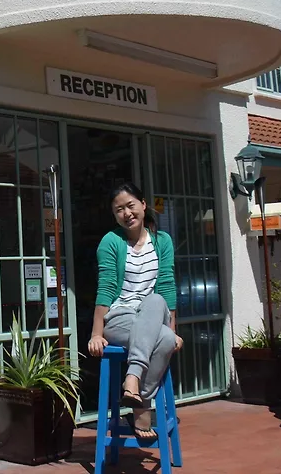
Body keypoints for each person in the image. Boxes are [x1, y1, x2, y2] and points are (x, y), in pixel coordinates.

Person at [87, 182, 183, 440]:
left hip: (153, 314)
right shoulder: (111, 242)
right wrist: (96, 333)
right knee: (163, 339)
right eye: (119, 210)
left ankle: (133, 382)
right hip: (120, 318)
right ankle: (142, 406)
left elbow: (167, 285)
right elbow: (106, 287)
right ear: (114, 215)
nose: (126, 213)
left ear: (143, 204)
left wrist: (174, 329)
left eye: (130, 206)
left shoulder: (162, 241)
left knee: (156, 302)